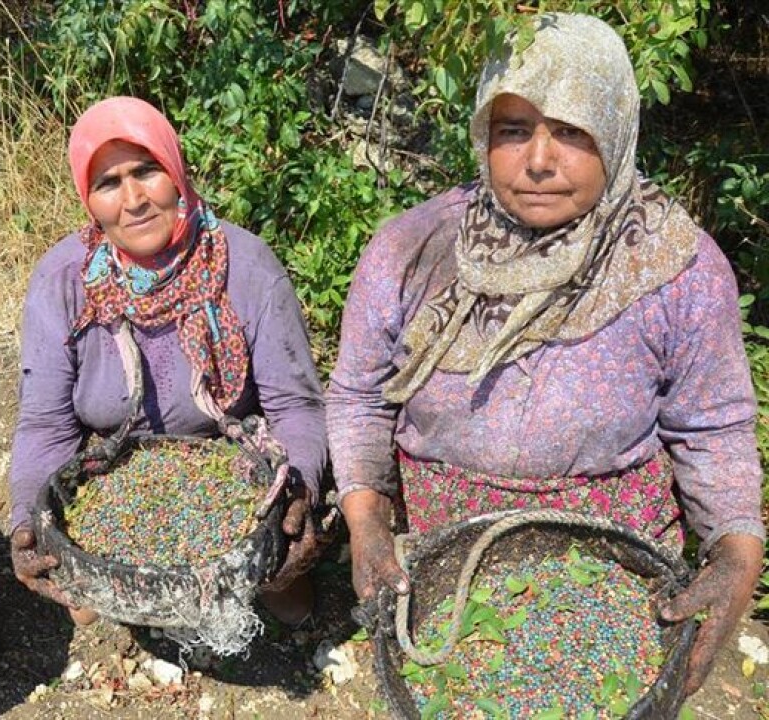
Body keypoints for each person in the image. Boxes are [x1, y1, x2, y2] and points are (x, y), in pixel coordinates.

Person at [327, 12, 764, 697]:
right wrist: (368, 522)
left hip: (614, 577)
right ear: (481, 132)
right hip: (448, 571)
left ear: (616, 132)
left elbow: (713, 430)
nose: (537, 159)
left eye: (570, 131)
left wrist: (738, 555)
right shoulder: (414, 251)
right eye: (512, 129)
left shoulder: (675, 267)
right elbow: (358, 398)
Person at [7, 96, 329, 626]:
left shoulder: (244, 266)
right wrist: (27, 519)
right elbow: (45, 425)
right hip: (115, 468)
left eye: (147, 171)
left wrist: (297, 490)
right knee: (86, 609)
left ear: (175, 171)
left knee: (289, 602)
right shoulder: (64, 281)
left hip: (234, 460)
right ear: (88, 199)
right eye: (108, 183)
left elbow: (296, 406)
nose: (133, 200)